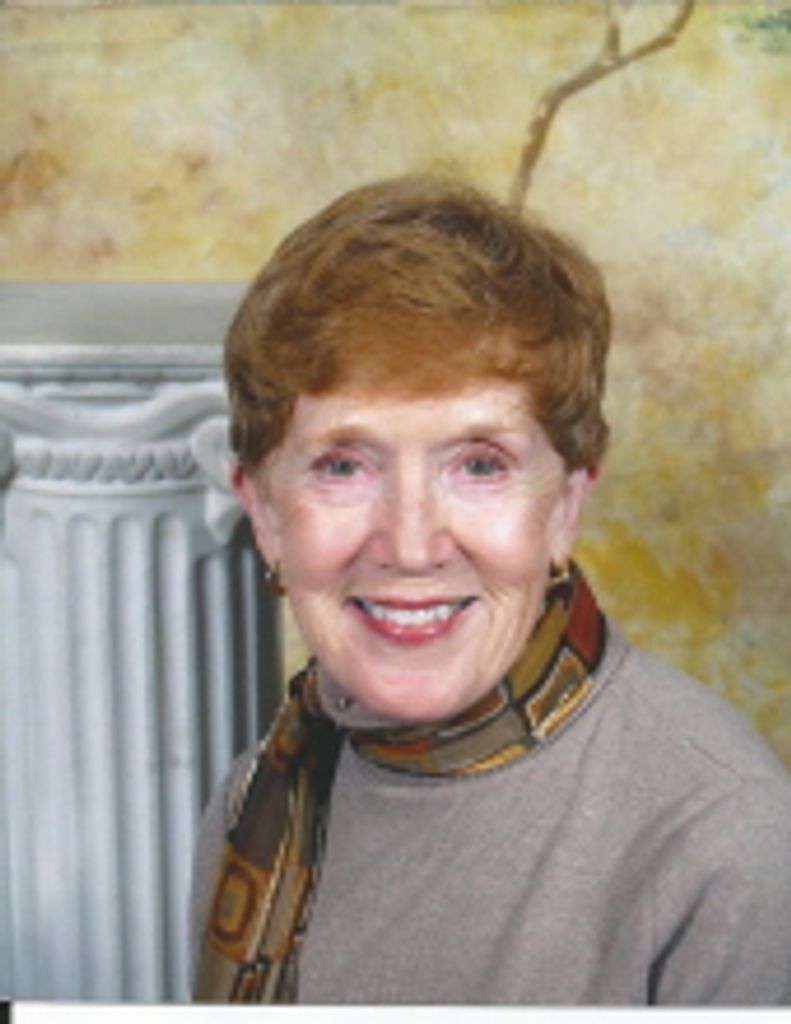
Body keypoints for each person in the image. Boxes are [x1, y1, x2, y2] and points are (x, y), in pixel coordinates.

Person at [190, 177, 791, 1005]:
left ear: (564, 507)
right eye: (342, 466)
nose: (410, 545)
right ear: (262, 512)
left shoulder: (724, 841)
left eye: (479, 465)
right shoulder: (258, 802)